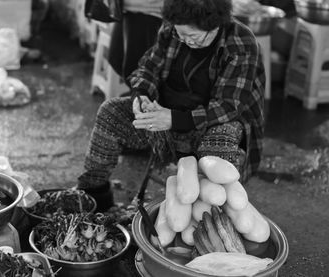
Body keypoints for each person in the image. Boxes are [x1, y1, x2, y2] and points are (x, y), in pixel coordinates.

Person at [77, 0, 265, 211]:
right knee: (110, 112)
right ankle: (92, 199)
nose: (186, 42)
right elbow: (148, 68)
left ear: (216, 24)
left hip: (212, 125)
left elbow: (229, 106)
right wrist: (142, 95)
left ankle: (210, 216)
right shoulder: (173, 28)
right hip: (166, 120)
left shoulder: (240, 41)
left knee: (219, 153)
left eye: (193, 37)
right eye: (181, 35)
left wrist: (174, 119)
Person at [108, 0, 163, 80]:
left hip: (147, 11)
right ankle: (139, 90)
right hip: (125, 9)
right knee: (115, 59)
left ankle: (142, 90)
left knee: (134, 69)